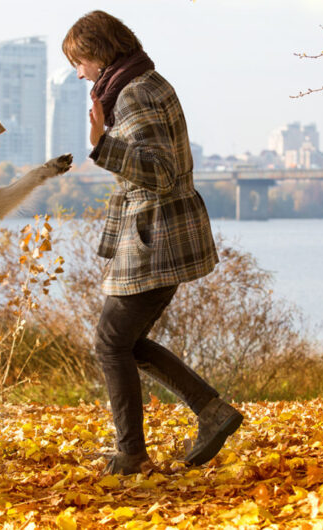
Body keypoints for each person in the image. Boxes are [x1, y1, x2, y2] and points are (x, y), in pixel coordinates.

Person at [62, 10, 243, 475]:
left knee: (110, 343)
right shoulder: (143, 81)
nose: (78, 73)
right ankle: (211, 412)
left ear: (99, 54)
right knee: (125, 341)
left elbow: (160, 173)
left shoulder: (135, 94)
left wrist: (102, 145)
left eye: (78, 62)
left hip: (154, 236)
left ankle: (132, 454)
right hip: (160, 232)